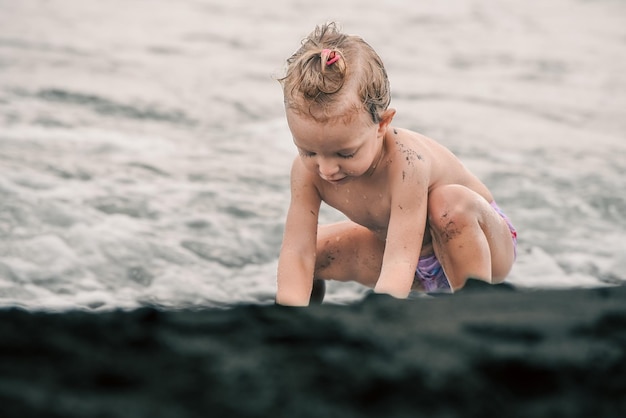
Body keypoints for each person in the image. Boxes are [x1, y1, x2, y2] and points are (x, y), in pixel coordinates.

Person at [275, 22, 517, 306]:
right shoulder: (306, 173)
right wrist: (286, 316)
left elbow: (400, 260)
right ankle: (303, 334)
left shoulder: (406, 161)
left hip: (479, 245)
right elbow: (297, 252)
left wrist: (381, 318)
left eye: (345, 154)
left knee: (448, 203)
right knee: (314, 251)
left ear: (383, 124)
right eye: (308, 151)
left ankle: (475, 314)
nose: (326, 169)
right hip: (407, 259)